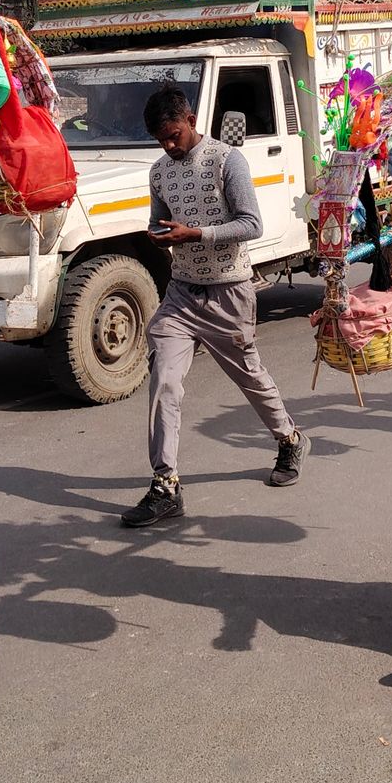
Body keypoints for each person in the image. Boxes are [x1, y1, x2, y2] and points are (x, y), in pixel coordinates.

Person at [120, 86, 309, 528]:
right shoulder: (159, 172)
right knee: (164, 381)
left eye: (173, 135)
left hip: (229, 291)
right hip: (182, 294)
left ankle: (289, 438)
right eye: (160, 140)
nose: (169, 145)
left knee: (250, 376)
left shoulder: (227, 160)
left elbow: (251, 224)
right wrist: (160, 233)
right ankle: (165, 485)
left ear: (189, 119)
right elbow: (159, 218)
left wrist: (196, 235)